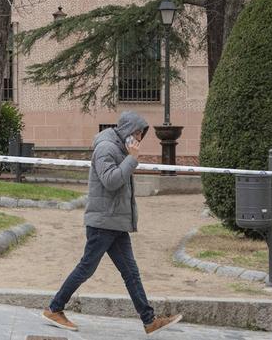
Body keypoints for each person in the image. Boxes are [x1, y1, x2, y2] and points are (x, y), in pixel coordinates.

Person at [42, 111, 183, 335]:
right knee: (86, 268)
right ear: (126, 131)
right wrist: (132, 159)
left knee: (131, 273)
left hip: (115, 223)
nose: (139, 138)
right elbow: (111, 181)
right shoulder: (106, 148)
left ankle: (149, 320)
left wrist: (129, 157)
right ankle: (54, 308)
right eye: (137, 132)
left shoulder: (120, 148)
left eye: (141, 134)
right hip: (102, 223)